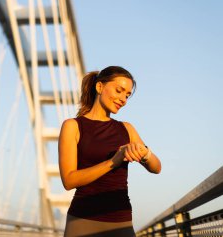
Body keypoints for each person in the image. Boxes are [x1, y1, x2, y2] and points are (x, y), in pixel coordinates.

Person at [58, 66, 161, 237]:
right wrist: (115, 160)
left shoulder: (126, 128)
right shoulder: (73, 126)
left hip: (121, 222)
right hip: (82, 221)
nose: (123, 99)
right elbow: (69, 180)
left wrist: (144, 153)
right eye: (119, 91)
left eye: (127, 95)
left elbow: (157, 167)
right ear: (99, 87)